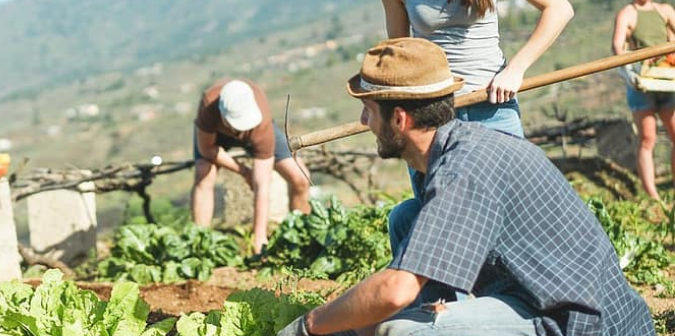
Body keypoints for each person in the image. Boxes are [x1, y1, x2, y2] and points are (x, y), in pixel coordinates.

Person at [277, 37, 655, 336]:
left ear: (399, 119)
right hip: (535, 293)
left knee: (402, 331)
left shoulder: (465, 169)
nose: (364, 120)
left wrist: (311, 326)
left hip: (576, 323)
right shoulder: (456, 149)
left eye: (369, 111)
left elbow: (396, 290)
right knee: (408, 218)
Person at [377, 0, 574, 292]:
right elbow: (401, 59)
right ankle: (442, 312)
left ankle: (530, 303)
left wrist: (516, 68)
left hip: (493, 108)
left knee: (517, 215)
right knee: (440, 223)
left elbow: (559, 7)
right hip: (433, 120)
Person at [192, 78, 312, 251]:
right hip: (215, 137)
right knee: (204, 173)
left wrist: (259, 236)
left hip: (257, 132)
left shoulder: (260, 120)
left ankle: (301, 236)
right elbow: (207, 150)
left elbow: (261, 184)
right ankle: (199, 244)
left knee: (300, 178)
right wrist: (244, 171)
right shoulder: (208, 105)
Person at [612, 0, 675, 201]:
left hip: (668, 81)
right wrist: (631, 67)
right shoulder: (627, 13)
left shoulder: (665, 10)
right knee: (647, 138)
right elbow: (618, 47)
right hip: (642, 83)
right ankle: (653, 196)